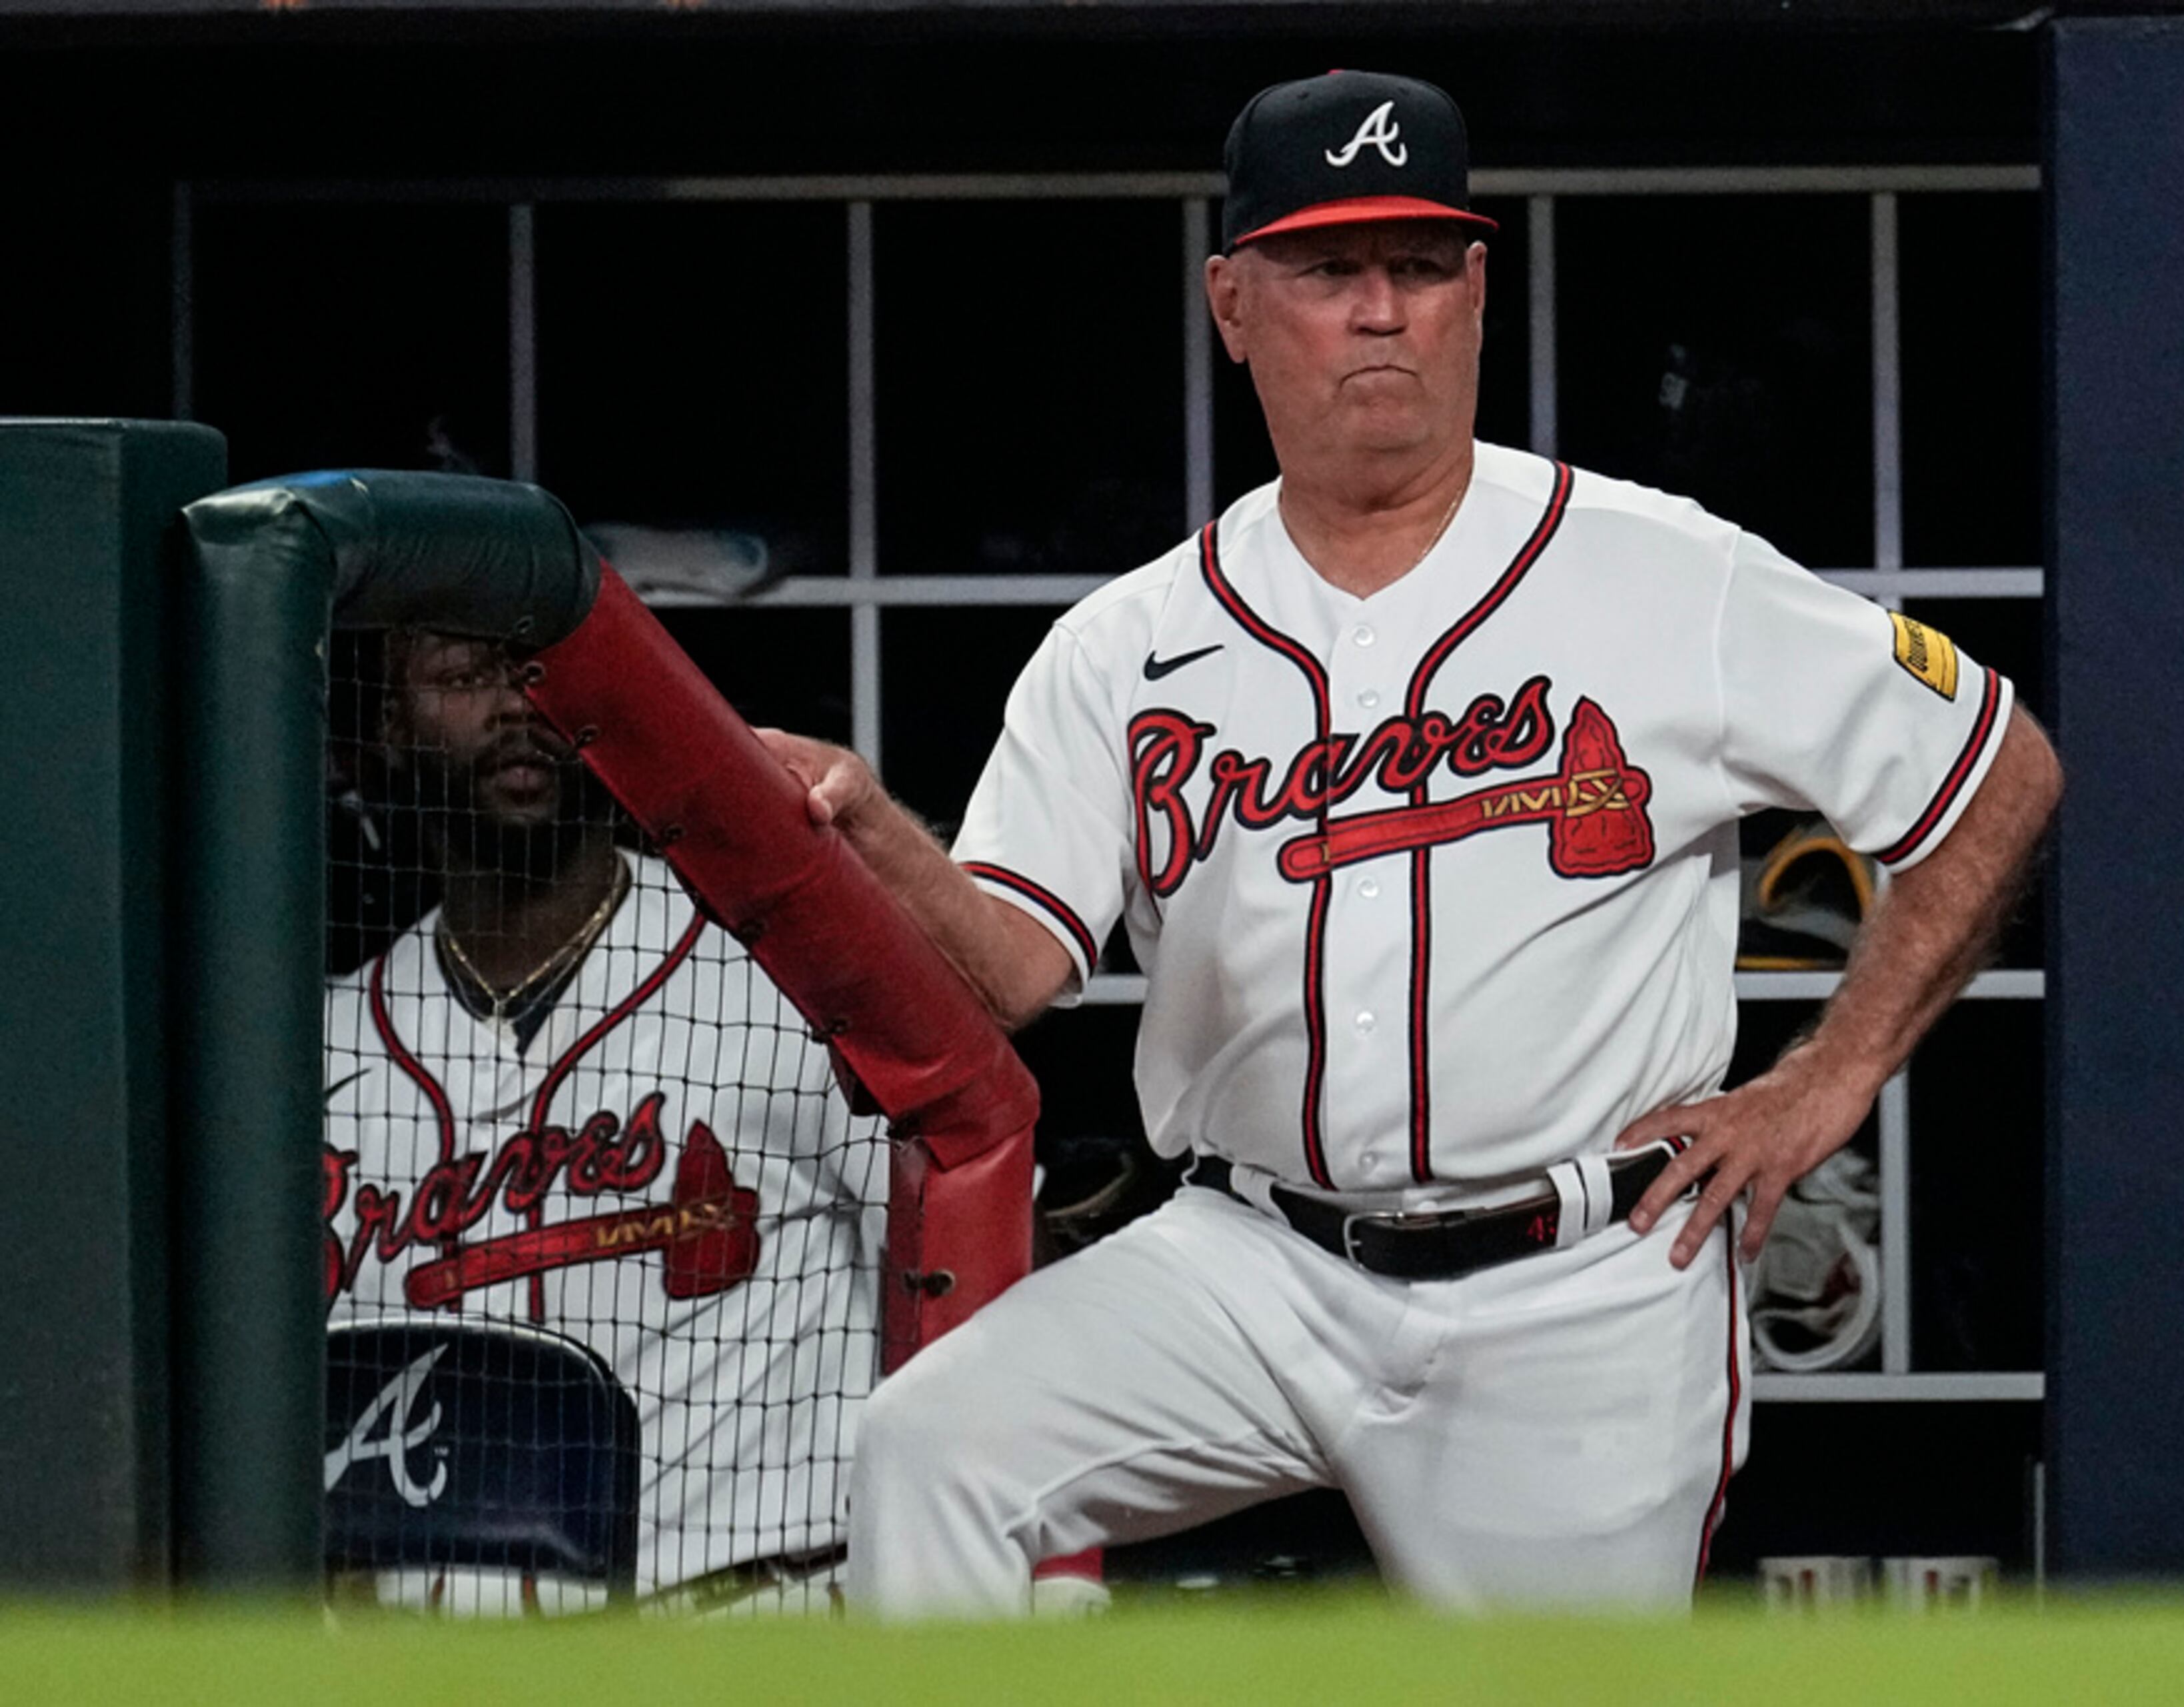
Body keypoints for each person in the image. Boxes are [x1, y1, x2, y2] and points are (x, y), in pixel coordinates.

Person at [760, 67, 2063, 1615]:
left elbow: (1997, 767)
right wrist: (868, 826)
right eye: (1328, 270)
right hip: (1253, 1262)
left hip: (1576, 1283)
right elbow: (1014, 968)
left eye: (1420, 265)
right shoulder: (1131, 642)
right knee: (933, 1448)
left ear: (1477, 294)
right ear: (1233, 305)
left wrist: (1824, 1082)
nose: (1383, 310)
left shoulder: (1663, 573)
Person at [325, 628, 888, 1614]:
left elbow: (998, 1268)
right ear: (386, 728)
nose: (516, 706)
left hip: (749, 1631)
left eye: (545, 672)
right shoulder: (324, 1049)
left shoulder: (785, 976)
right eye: (465, 676)